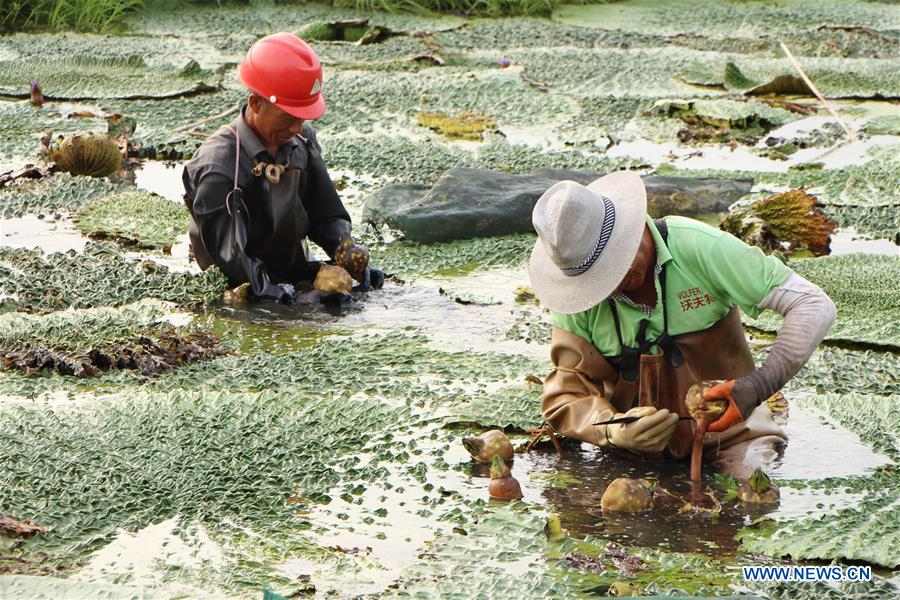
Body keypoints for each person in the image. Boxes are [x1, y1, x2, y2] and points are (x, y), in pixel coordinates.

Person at [528, 171, 836, 478]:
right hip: (630, 455)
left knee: (749, 496)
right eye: (595, 281)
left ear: (630, 231)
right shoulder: (578, 297)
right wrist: (614, 431)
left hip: (733, 437)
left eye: (612, 270)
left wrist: (757, 386)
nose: (606, 289)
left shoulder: (701, 248)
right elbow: (564, 398)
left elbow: (814, 306)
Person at [183, 33, 383, 303]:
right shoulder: (218, 168)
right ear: (256, 103)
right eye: (288, 117)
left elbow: (325, 214)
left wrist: (345, 249)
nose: (297, 128)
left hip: (290, 272)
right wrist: (291, 299)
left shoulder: (301, 140)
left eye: (303, 117)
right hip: (238, 291)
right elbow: (232, 259)